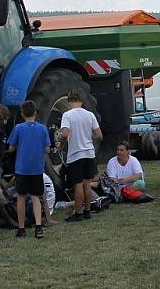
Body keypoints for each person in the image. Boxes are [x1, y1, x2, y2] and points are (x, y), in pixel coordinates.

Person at [7, 100, 50, 238]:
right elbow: (47, 148)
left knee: (20, 197)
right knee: (36, 197)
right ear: (36, 113)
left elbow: (11, 147)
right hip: (37, 168)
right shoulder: (43, 128)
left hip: (22, 168)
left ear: (22, 114)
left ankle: (21, 228)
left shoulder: (18, 128)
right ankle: (38, 226)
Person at [60, 89, 103, 222]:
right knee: (87, 183)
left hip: (76, 153)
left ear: (69, 102)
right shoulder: (90, 115)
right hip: (89, 152)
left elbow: (65, 133)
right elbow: (99, 135)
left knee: (77, 184)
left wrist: (61, 143)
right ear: (81, 101)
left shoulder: (67, 115)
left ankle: (78, 213)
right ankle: (87, 211)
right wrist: (87, 136)